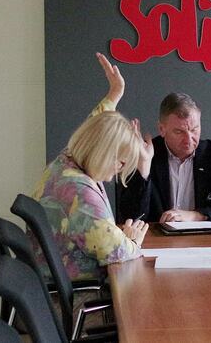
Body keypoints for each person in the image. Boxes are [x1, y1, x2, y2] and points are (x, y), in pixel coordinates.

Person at [31, 53, 150, 280]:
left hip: (50, 282)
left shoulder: (66, 162)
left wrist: (114, 94)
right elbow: (119, 252)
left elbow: (94, 128)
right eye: (121, 162)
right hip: (80, 294)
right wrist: (132, 240)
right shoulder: (80, 194)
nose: (119, 169)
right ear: (104, 153)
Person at [117, 93, 211, 223]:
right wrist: (144, 169)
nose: (189, 140)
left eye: (194, 130)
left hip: (206, 235)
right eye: (179, 132)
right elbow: (130, 219)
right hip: (155, 236)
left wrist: (197, 215)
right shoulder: (144, 154)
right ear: (162, 129)